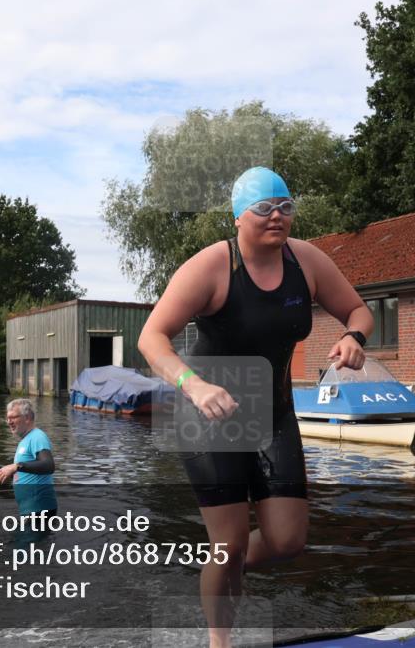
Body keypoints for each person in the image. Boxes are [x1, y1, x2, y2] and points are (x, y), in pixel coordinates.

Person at [138, 166, 373, 648]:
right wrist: (193, 385)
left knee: (287, 541)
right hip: (207, 416)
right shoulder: (211, 266)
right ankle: (219, 640)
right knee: (228, 542)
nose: (277, 217)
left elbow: (359, 309)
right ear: (237, 218)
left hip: (273, 414)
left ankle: (221, 567)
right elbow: (151, 338)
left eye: (286, 207)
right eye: (263, 209)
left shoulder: (306, 262)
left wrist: (354, 336)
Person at [0, 398, 57, 525]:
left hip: (39, 510)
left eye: (13, 417)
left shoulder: (37, 437)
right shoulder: (26, 440)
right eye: (7, 418)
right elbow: (25, 472)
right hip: (32, 509)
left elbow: (48, 465)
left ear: (27, 417)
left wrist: (16, 466)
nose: (9, 422)